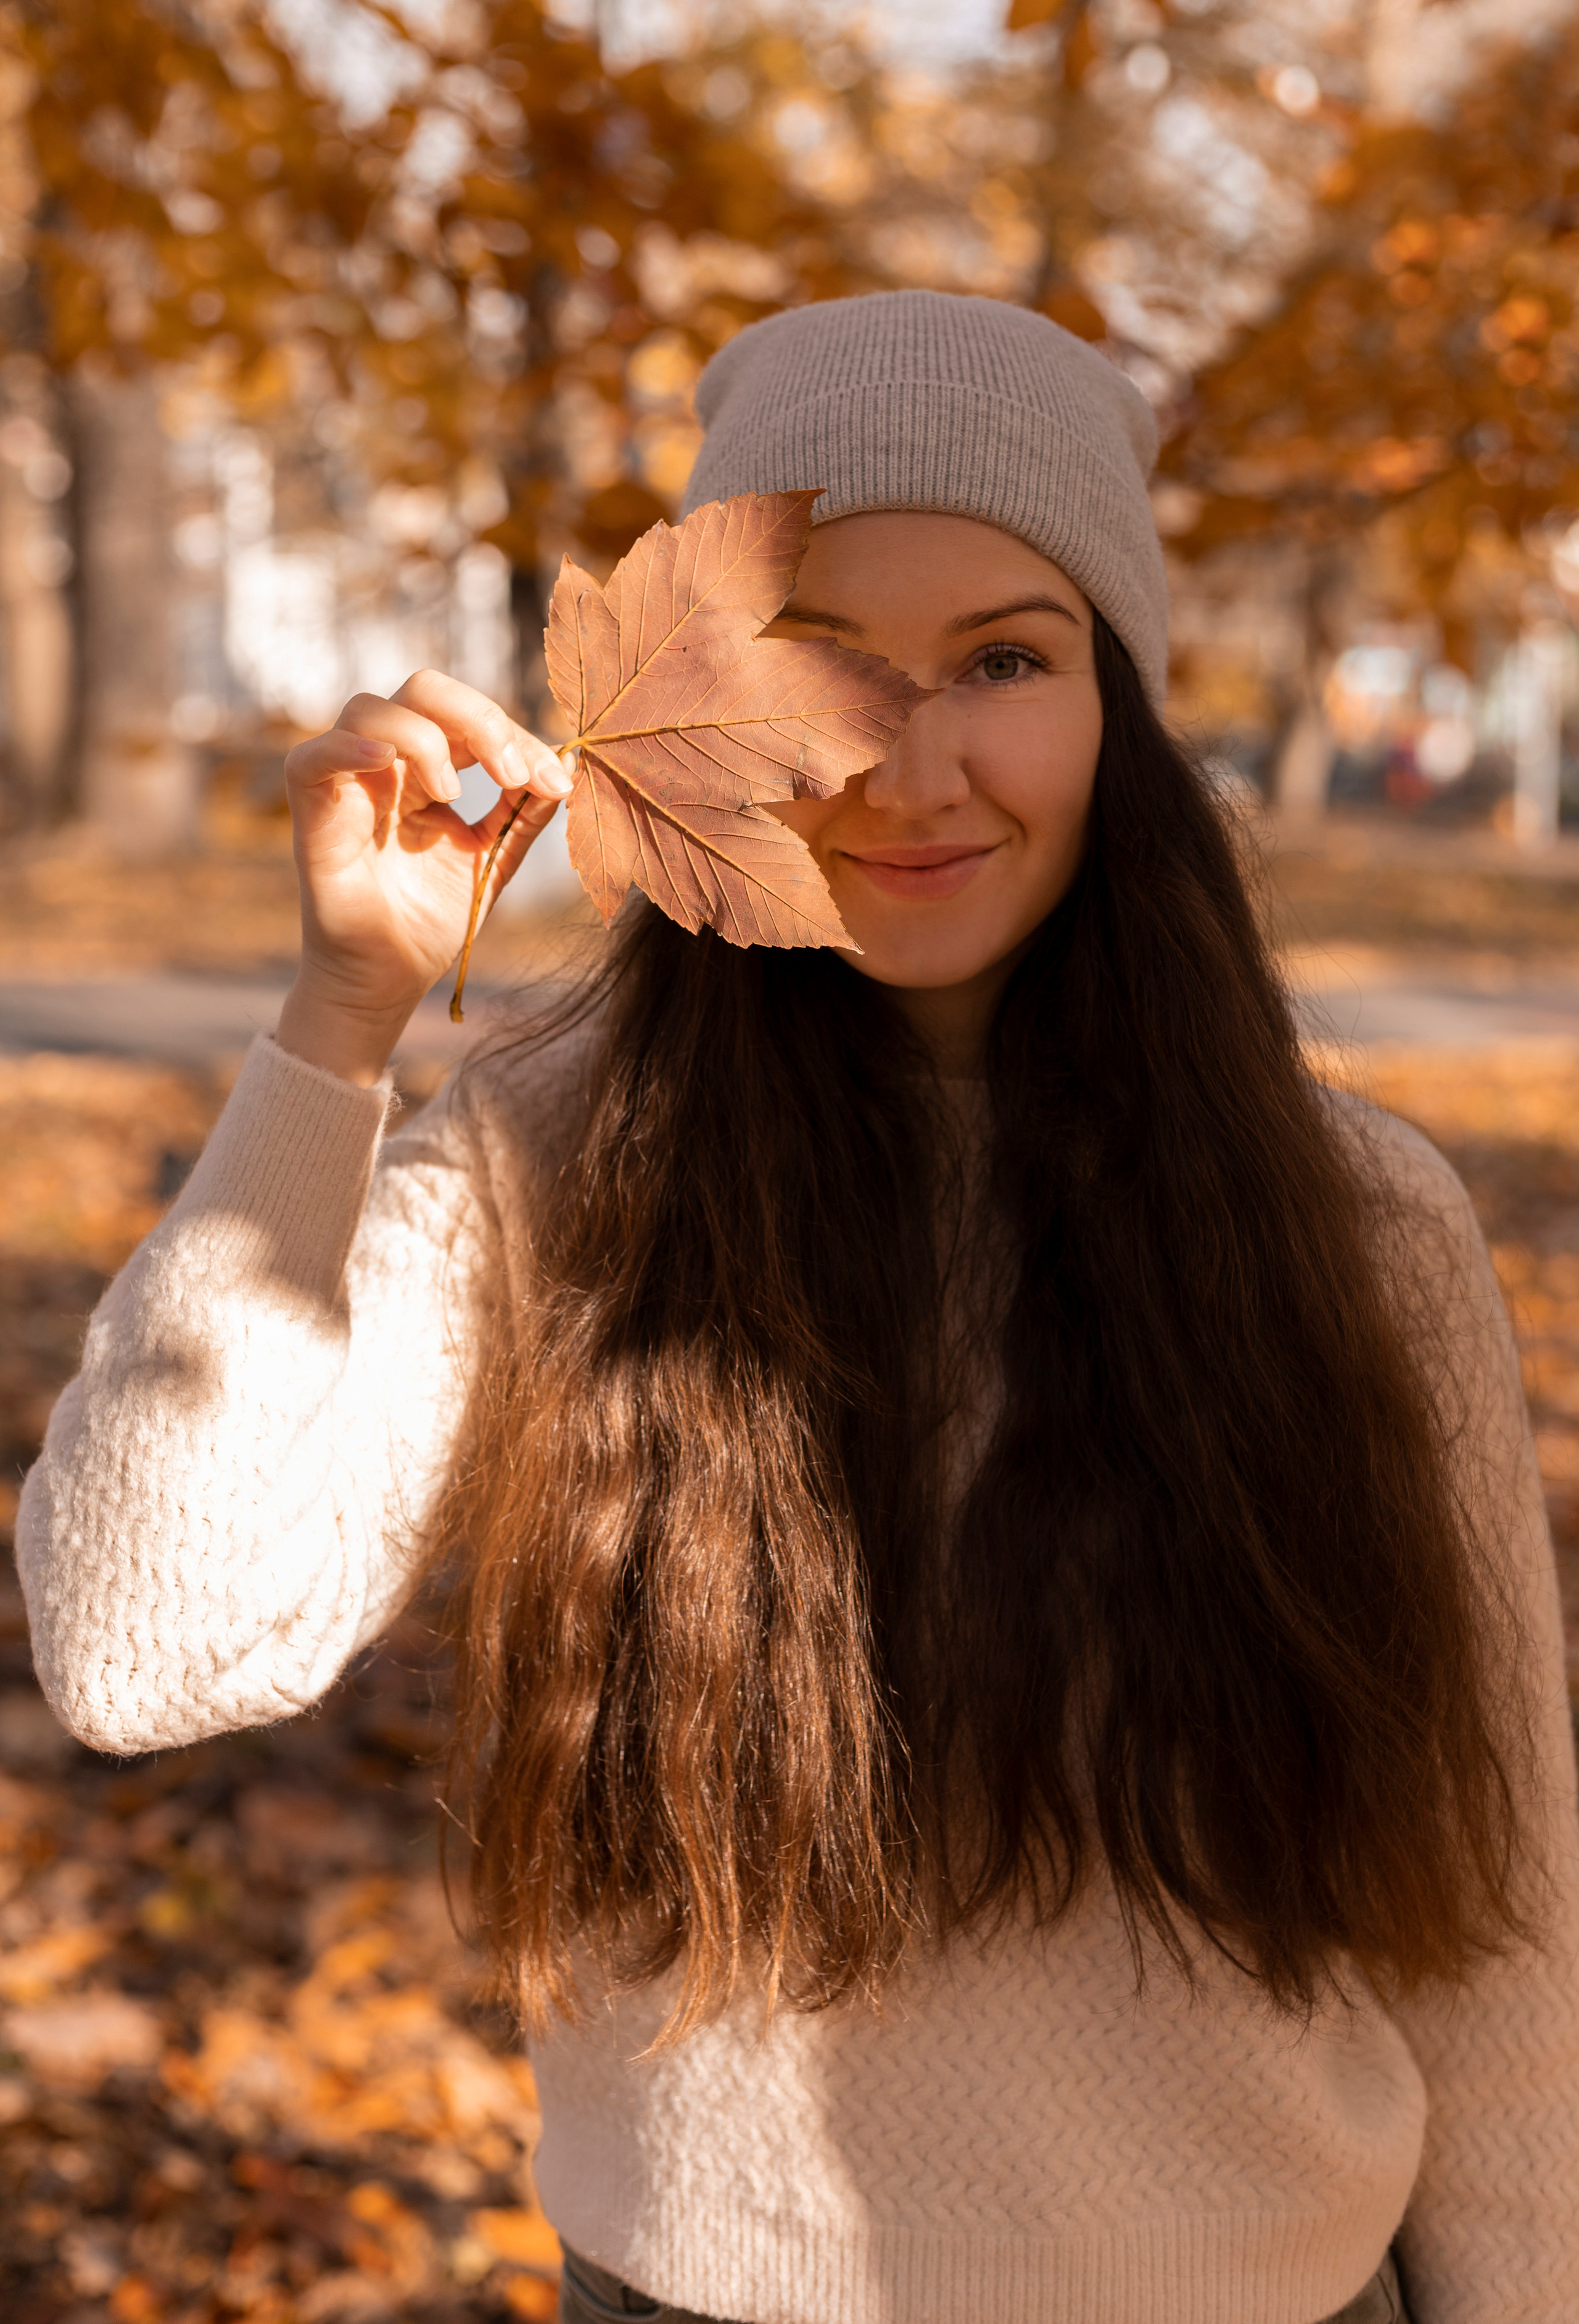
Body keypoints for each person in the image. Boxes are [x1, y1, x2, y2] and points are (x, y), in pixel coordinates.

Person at [19, 290, 1579, 2324]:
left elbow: (1497, 1911)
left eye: (1006, 660)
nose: (909, 760)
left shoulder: (1357, 1222)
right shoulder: (558, 1172)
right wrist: (342, 1022)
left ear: (1121, 707)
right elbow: (143, 1643)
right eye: (826, 657)